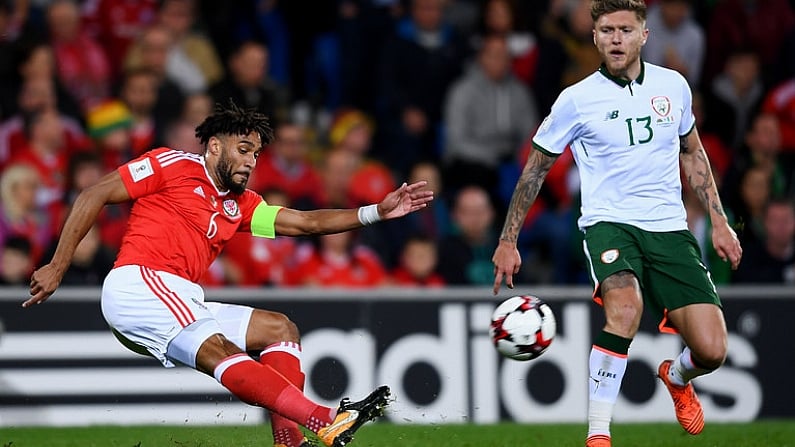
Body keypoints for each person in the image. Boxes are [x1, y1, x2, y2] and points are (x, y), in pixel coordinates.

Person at [24, 100, 434, 447]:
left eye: (255, 154)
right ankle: (325, 419)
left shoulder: (242, 205)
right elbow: (94, 192)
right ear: (215, 146)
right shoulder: (173, 165)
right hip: (140, 283)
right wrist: (58, 266)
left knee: (280, 330)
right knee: (221, 349)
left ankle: (288, 441)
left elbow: (306, 224)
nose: (250, 161)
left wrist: (375, 212)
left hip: (180, 297)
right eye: (243, 149)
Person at [490, 2, 743, 447]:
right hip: (610, 224)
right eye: (606, 30)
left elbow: (693, 153)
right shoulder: (576, 98)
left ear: (645, 35)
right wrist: (508, 240)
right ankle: (598, 434)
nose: (616, 39)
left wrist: (719, 221)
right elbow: (535, 169)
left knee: (712, 350)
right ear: (595, 37)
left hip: (668, 228)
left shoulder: (674, 87)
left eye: (626, 29)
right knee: (625, 309)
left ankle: (677, 375)